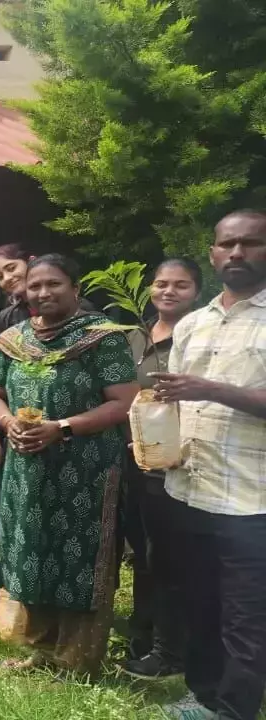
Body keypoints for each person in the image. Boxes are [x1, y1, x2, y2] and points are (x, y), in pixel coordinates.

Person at [0, 253, 139, 674]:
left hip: (85, 472)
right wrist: (6, 422)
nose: (42, 292)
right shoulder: (14, 338)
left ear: (75, 289)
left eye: (53, 284)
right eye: (35, 286)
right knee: (31, 552)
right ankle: (42, 651)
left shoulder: (101, 338)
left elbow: (124, 402)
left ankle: (78, 660)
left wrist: (63, 427)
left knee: (78, 559)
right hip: (27, 470)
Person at [153, 210, 266, 720]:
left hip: (251, 498)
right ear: (214, 252)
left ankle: (235, 709)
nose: (238, 253)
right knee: (199, 603)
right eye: (228, 244)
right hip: (188, 489)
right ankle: (201, 696)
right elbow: (177, 399)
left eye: (251, 244)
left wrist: (209, 390)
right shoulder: (192, 324)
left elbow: (202, 392)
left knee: (246, 616)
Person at [0, 243, 96, 620]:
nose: (8, 278)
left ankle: (55, 607)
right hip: (16, 436)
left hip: (73, 446)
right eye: (0, 275)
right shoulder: (9, 319)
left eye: (12, 268)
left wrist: (63, 427)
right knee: (8, 514)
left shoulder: (91, 326)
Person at [120, 259, 201, 679]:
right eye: (161, 284)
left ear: (197, 291)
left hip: (174, 462)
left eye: (181, 285)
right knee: (142, 554)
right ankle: (142, 635)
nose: (169, 292)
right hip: (133, 459)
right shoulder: (135, 334)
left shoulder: (199, 336)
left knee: (167, 556)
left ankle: (170, 652)